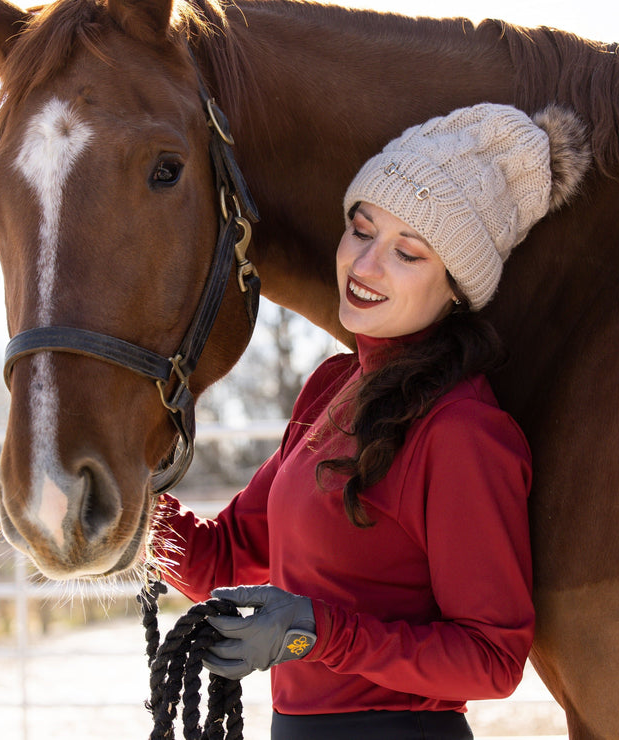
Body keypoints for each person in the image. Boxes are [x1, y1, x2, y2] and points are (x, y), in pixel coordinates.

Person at [148, 102, 590, 739]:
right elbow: (221, 559)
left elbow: (492, 661)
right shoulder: (332, 387)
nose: (364, 266)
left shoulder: (462, 431)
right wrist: (125, 507)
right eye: (361, 230)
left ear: (456, 287)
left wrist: (313, 633)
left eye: (407, 253)